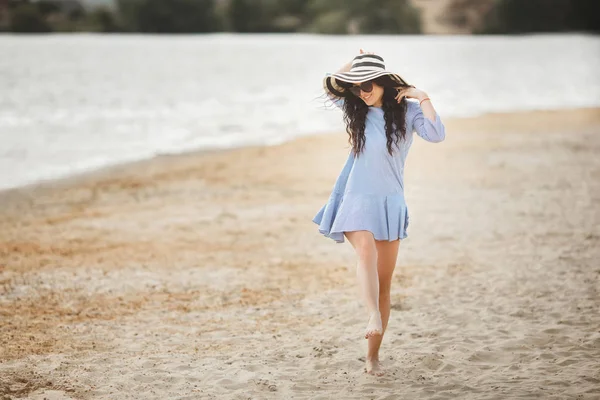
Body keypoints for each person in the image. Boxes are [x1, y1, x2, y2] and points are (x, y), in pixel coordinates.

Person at [312, 49, 446, 376]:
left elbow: (437, 134)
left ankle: (372, 359)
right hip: (356, 197)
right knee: (366, 252)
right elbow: (330, 86)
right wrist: (353, 66)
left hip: (390, 202)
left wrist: (423, 96)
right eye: (356, 87)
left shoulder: (409, 112)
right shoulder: (355, 108)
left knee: (384, 284)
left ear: (384, 82)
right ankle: (372, 314)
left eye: (368, 84)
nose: (362, 92)